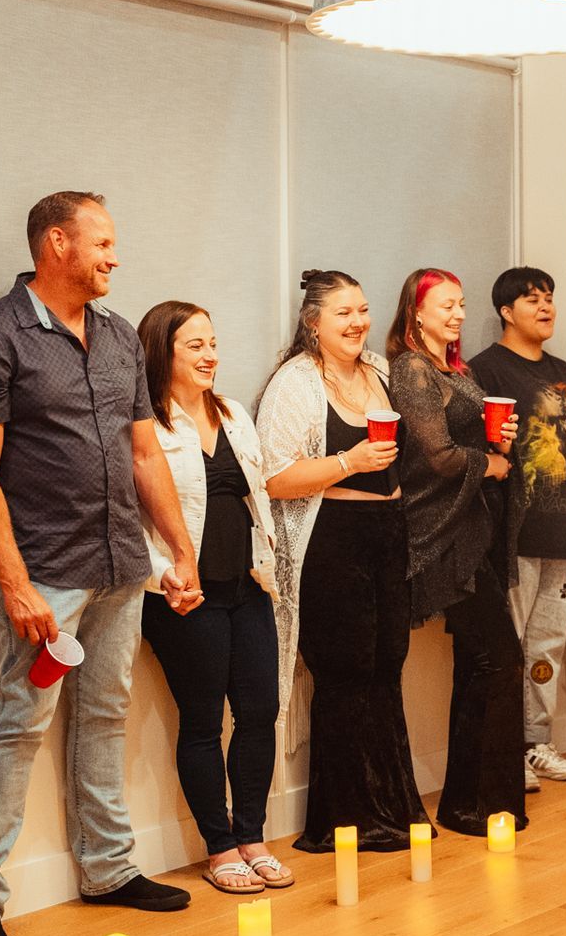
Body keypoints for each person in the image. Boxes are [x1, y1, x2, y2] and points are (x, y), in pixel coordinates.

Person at [0, 191, 202, 936]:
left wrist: (180, 551)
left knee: (107, 715)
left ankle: (109, 866)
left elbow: (145, 454)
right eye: (103, 243)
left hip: (121, 561)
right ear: (56, 243)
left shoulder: (120, 336)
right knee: (19, 724)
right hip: (46, 571)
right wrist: (16, 584)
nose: (114, 257)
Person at [256, 270, 430, 853]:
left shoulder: (380, 373)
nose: (358, 322)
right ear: (313, 324)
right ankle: (344, 821)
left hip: (388, 533)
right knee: (346, 674)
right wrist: (349, 461)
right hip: (332, 540)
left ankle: (394, 810)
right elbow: (275, 479)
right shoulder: (294, 384)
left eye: (362, 309)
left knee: (388, 668)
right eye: (343, 314)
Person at [136, 301, 286, 893]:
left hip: (248, 586)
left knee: (260, 714)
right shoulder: (147, 423)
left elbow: (258, 500)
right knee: (202, 721)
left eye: (213, 343)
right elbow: (130, 516)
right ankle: (219, 846)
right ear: (162, 352)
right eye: (195, 345)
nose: (210, 355)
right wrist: (162, 574)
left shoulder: (234, 414)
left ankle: (253, 835)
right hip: (184, 596)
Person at [385, 268, 526, 836]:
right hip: (442, 539)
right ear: (415, 312)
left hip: (476, 531)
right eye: (445, 305)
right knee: (502, 660)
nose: (457, 314)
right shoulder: (412, 369)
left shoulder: (453, 368)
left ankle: (468, 803)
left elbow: (466, 440)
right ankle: (482, 803)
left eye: (461, 305)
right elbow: (438, 457)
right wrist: (486, 461)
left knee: (479, 665)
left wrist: (498, 440)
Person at [468, 267, 566, 792]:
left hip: (565, 533)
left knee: (549, 644)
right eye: (533, 300)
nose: (546, 307)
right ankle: (505, 748)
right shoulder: (485, 370)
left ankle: (536, 743)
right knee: (508, 645)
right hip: (513, 534)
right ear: (507, 312)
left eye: (550, 298)